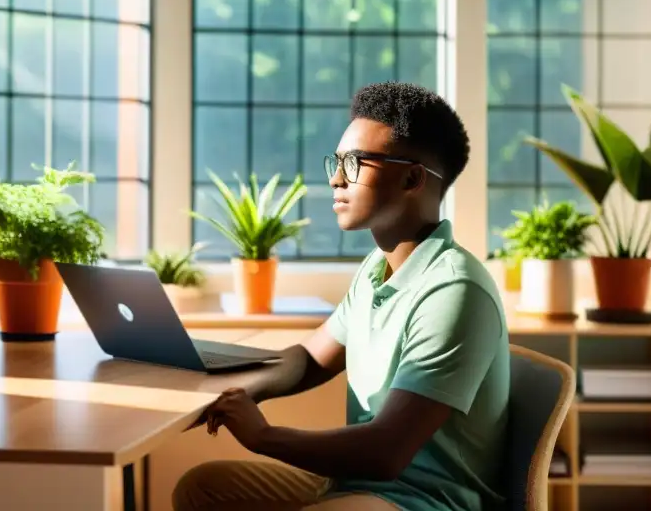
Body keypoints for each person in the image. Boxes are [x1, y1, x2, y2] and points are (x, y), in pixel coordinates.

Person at [172, 82, 510, 511]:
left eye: (355, 163)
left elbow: (386, 452)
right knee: (203, 488)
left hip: (422, 501)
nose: (335, 178)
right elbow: (311, 359)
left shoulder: (454, 290)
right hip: (356, 487)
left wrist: (263, 436)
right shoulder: (376, 269)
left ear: (411, 177)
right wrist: (232, 383)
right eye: (337, 161)